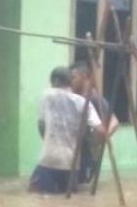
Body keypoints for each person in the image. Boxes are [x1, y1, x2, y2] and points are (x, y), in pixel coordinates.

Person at [30, 66, 103, 194]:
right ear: (70, 82)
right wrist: (91, 150)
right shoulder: (83, 102)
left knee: (41, 201)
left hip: (49, 159)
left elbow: (42, 126)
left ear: (56, 81)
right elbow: (100, 130)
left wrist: (48, 140)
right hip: (72, 163)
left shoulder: (46, 96)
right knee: (69, 203)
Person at [70, 57, 119, 185]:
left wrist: (100, 138)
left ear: (84, 77)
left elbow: (114, 121)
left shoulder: (94, 98)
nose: (70, 81)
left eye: (73, 77)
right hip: (74, 151)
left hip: (88, 153)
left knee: (81, 187)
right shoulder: (73, 98)